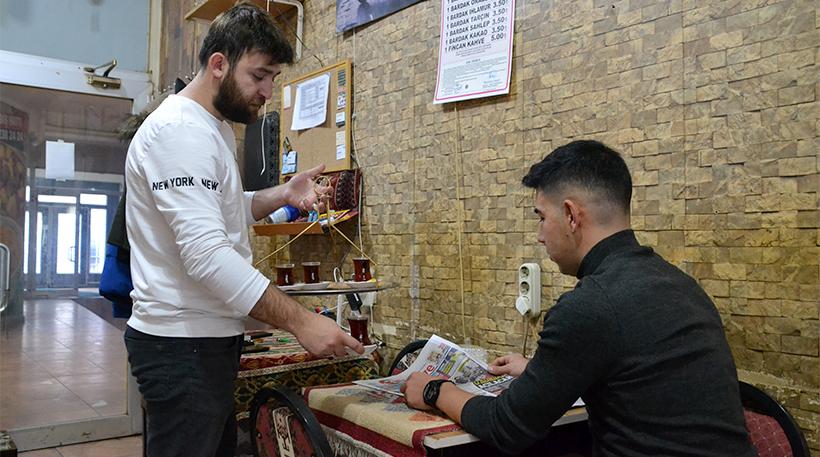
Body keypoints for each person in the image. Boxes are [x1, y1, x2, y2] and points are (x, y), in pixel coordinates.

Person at [402, 140, 754, 456]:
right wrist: (540, 372)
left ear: (571, 215)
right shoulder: (680, 284)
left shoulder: (589, 306)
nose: (540, 235)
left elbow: (507, 427)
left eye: (541, 218)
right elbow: (638, 378)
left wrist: (436, 390)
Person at [123, 4, 363, 457]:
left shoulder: (208, 127)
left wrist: (283, 193)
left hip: (200, 340)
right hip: (180, 345)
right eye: (259, 75)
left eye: (273, 78)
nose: (268, 91)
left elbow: (225, 208)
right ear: (218, 64)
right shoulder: (178, 133)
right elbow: (206, 256)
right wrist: (301, 322)